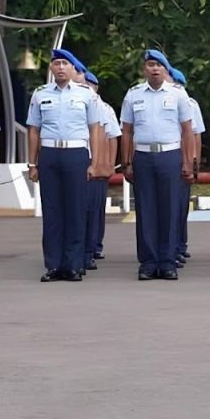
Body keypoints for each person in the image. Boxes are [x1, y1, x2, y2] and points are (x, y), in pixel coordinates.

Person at [27, 49, 107, 281]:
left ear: (73, 69)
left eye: (65, 63)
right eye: (56, 63)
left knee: (75, 211)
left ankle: (73, 265)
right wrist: (33, 162)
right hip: (50, 153)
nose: (60, 67)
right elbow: (33, 130)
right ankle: (53, 265)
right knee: (52, 211)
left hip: (76, 153)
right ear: (51, 68)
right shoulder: (40, 94)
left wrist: (94, 161)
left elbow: (95, 129)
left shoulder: (85, 94)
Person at [120, 49, 195, 281]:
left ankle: (168, 261)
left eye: (158, 65)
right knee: (145, 210)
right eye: (150, 65)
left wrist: (187, 161)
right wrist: (127, 161)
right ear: (145, 69)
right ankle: (148, 262)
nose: (154, 69)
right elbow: (127, 131)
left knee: (170, 209)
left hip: (170, 155)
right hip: (142, 156)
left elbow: (187, 130)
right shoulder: (133, 95)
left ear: (166, 70)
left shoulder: (178, 95)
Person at [83, 70, 120, 271]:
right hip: (78, 160)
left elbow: (112, 136)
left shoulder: (104, 108)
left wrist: (108, 164)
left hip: (97, 163)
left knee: (94, 209)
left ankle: (93, 246)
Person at [169, 67, 205, 267]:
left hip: (183, 161)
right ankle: (170, 248)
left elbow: (195, 133)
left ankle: (179, 245)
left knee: (180, 207)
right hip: (168, 158)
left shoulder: (190, 104)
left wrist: (193, 162)